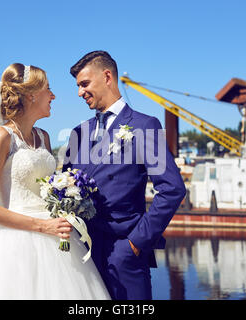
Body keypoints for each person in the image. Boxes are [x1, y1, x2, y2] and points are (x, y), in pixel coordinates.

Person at [0, 63, 110, 300]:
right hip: (14, 244)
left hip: (58, 240)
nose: (53, 96)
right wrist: (42, 226)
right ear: (31, 95)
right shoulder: (1, 137)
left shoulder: (43, 137)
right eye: (49, 89)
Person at [63, 51, 186, 300]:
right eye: (77, 86)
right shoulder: (78, 132)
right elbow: (66, 185)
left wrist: (135, 243)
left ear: (107, 76)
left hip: (124, 255)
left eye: (84, 84)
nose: (79, 92)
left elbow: (172, 189)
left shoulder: (144, 125)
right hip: (80, 256)